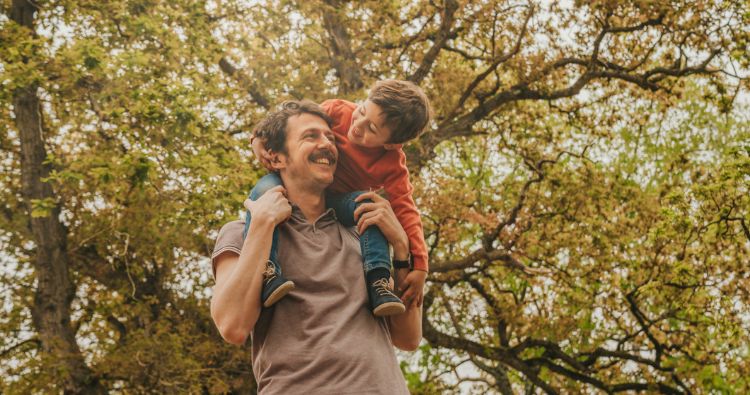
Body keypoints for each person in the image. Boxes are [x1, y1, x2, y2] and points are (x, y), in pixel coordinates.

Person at [210, 101, 421, 393]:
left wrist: (401, 248)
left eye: (331, 137)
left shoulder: (363, 233)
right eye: (310, 136)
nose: (327, 144)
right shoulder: (241, 234)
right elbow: (232, 326)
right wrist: (261, 226)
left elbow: (408, 338)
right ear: (277, 158)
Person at [247, 79, 431, 316]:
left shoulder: (393, 165)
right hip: (293, 186)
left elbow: (406, 209)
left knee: (371, 208)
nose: (358, 125)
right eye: (362, 111)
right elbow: (292, 124)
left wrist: (421, 266)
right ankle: (267, 270)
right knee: (264, 192)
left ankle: (378, 280)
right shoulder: (337, 110)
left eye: (371, 129)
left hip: (338, 202)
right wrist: (258, 140)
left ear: (391, 144)